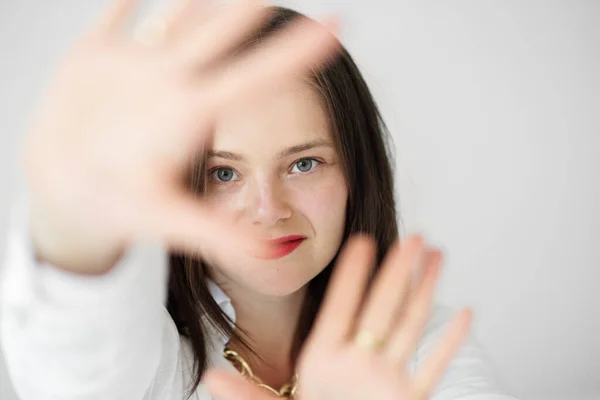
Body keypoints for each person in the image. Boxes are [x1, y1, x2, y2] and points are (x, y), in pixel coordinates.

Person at [0, 1, 519, 399]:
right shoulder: (146, 357)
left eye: (303, 164)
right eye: (223, 172)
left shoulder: (421, 342)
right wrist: (70, 225)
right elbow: (73, 360)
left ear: (357, 175)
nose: (269, 209)